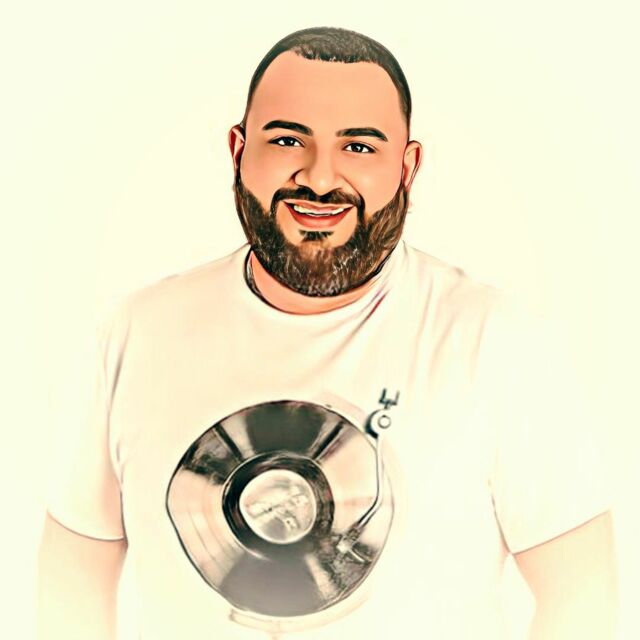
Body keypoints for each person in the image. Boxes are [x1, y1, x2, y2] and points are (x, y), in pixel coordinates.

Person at [36, 26, 617, 639]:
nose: (319, 178)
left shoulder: (497, 343)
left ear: (407, 166)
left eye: (359, 146)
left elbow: (582, 597)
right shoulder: (135, 335)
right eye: (288, 139)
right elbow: (72, 582)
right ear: (238, 151)